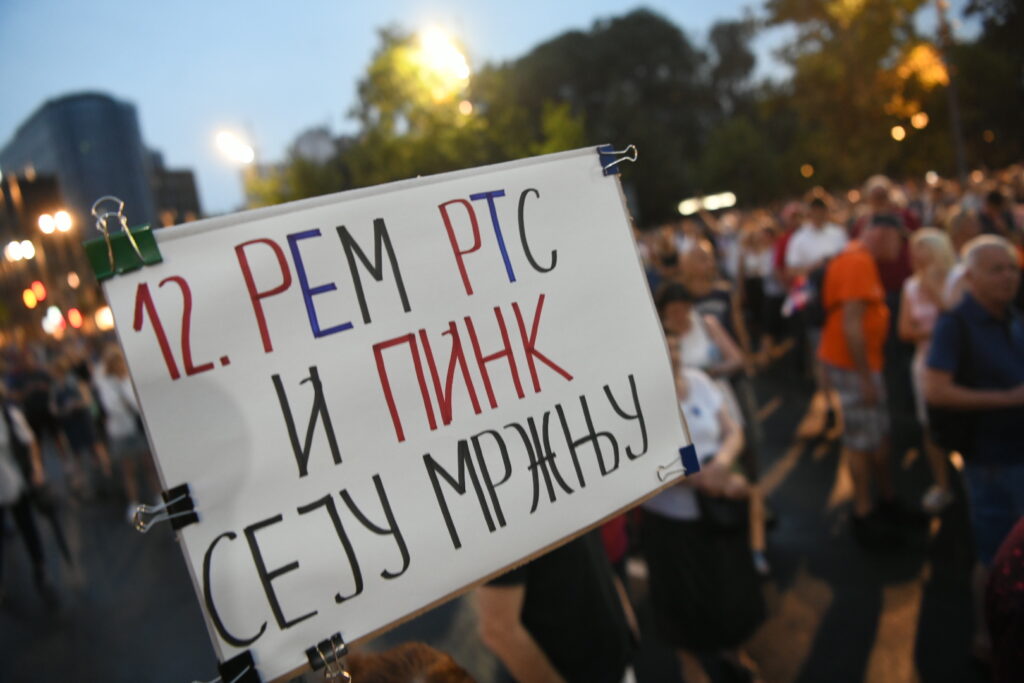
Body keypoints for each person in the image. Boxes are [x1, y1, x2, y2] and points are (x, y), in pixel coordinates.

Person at [639, 339, 764, 683]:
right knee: (682, 599)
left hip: (718, 505)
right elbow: (652, 456)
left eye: (676, 347)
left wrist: (721, 464)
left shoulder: (699, 381)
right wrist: (701, 476)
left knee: (728, 587)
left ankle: (732, 652)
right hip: (672, 520)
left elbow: (732, 429)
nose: (672, 355)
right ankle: (690, 666)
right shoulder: (641, 397)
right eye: (663, 348)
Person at [923, 235, 1024, 660]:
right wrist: (1009, 398)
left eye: (1012, 268)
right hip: (991, 461)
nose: (1007, 276)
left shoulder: (1011, 317)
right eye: (996, 269)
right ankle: (987, 636)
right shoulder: (955, 323)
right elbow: (937, 391)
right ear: (971, 277)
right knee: (995, 554)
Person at [818, 215, 902, 547]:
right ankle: (864, 511)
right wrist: (865, 377)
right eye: (898, 239)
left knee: (872, 435)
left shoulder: (855, 256)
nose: (900, 247)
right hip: (854, 366)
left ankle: (883, 500)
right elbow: (851, 324)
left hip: (857, 364)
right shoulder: (857, 261)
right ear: (882, 234)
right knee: (860, 441)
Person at [475, 531, 636, 683]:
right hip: (573, 671)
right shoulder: (504, 528)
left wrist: (622, 606)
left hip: (617, 658)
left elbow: (591, 543)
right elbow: (499, 629)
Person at [898, 229, 957, 514]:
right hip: (925, 364)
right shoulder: (910, 286)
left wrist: (933, 292)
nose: (917, 255)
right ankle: (943, 484)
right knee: (930, 426)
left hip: (959, 364)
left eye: (923, 248)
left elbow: (959, 319)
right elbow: (905, 330)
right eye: (914, 249)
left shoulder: (956, 281)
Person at [0, 385, 53, 604]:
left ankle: (39, 566)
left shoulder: (9, 414)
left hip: (15, 480)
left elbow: (30, 441)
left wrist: (37, 469)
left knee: (27, 525)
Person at [94, 346, 159, 521]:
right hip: (120, 432)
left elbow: (135, 404)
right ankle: (134, 503)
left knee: (149, 466)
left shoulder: (128, 379)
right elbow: (110, 407)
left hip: (136, 429)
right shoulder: (106, 383)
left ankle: (158, 496)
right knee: (128, 470)